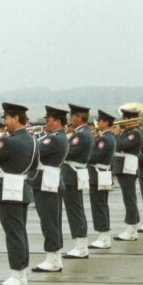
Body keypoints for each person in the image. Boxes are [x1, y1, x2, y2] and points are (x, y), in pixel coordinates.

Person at [0, 103, 37, 285]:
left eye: (6, 118)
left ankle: (17, 274)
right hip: (22, 187)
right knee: (19, 231)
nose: (4, 122)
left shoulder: (8, 141)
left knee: (13, 233)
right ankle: (21, 274)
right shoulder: (32, 140)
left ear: (16, 118)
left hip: (9, 189)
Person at [30, 106, 71, 274]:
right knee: (51, 221)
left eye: (49, 120)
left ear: (58, 122)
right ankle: (55, 257)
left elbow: (34, 151)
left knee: (49, 222)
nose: (45, 123)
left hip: (46, 182)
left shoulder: (54, 139)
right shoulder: (55, 137)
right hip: (48, 181)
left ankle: (52, 258)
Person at [58, 104, 93, 258]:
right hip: (74, 174)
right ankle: (81, 245)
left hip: (71, 175)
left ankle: (80, 246)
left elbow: (68, 153)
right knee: (76, 210)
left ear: (79, 117)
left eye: (72, 116)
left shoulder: (80, 135)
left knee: (75, 211)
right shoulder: (84, 133)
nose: (71, 119)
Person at [113, 107, 143, 241]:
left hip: (128, 167)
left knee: (129, 199)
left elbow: (121, 145)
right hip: (123, 166)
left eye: (125, 118)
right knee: (128, 198)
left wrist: (117, 134)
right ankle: (132, 228)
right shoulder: (128, 131)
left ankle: (131, 229)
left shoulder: (135, 133)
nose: (123, 121)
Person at [88, 111, 117, 249]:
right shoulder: (108, 137)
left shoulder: (105, 139)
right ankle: (104, 236)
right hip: (103, 174)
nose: (97, 123)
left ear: (105, 122)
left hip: (98, 174)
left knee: (99, 206)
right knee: (102, 205)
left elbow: (94, 157)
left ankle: (103, 237)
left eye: (99, 121)